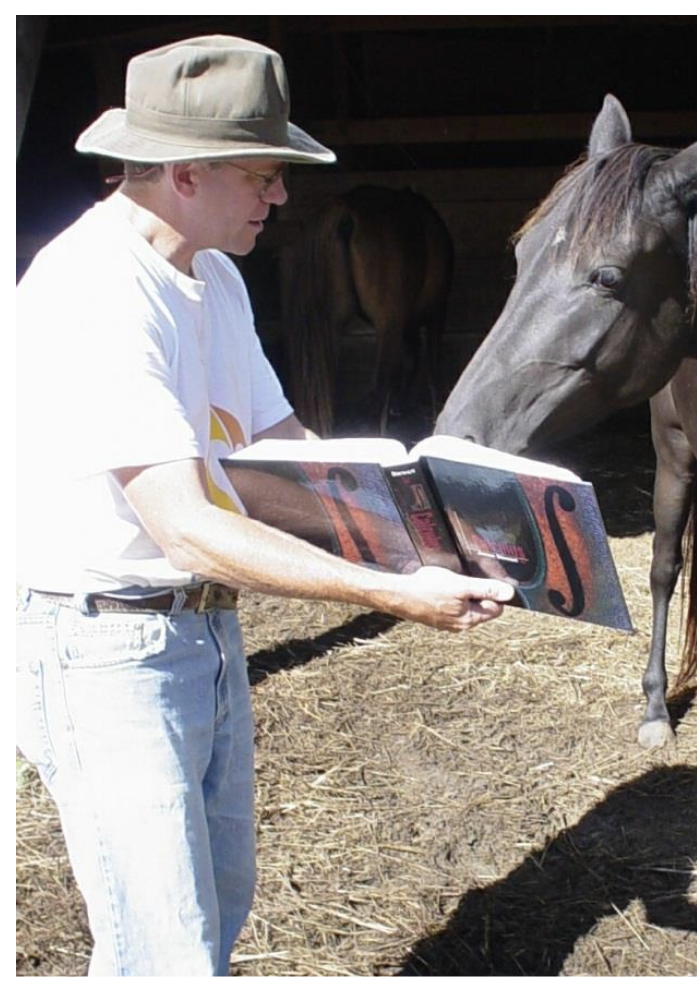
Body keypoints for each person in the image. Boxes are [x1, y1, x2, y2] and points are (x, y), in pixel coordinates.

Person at [16, 35, 513, 977]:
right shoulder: (98, 292)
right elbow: (186, 524)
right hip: (104, 646)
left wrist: (425, 532)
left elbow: (283, 448)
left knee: (219, 907)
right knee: (164, 948)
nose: (281, 197)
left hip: (202, 634)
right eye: (263, 174)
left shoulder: (214, 277)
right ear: (186, 173)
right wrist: (390, 591)